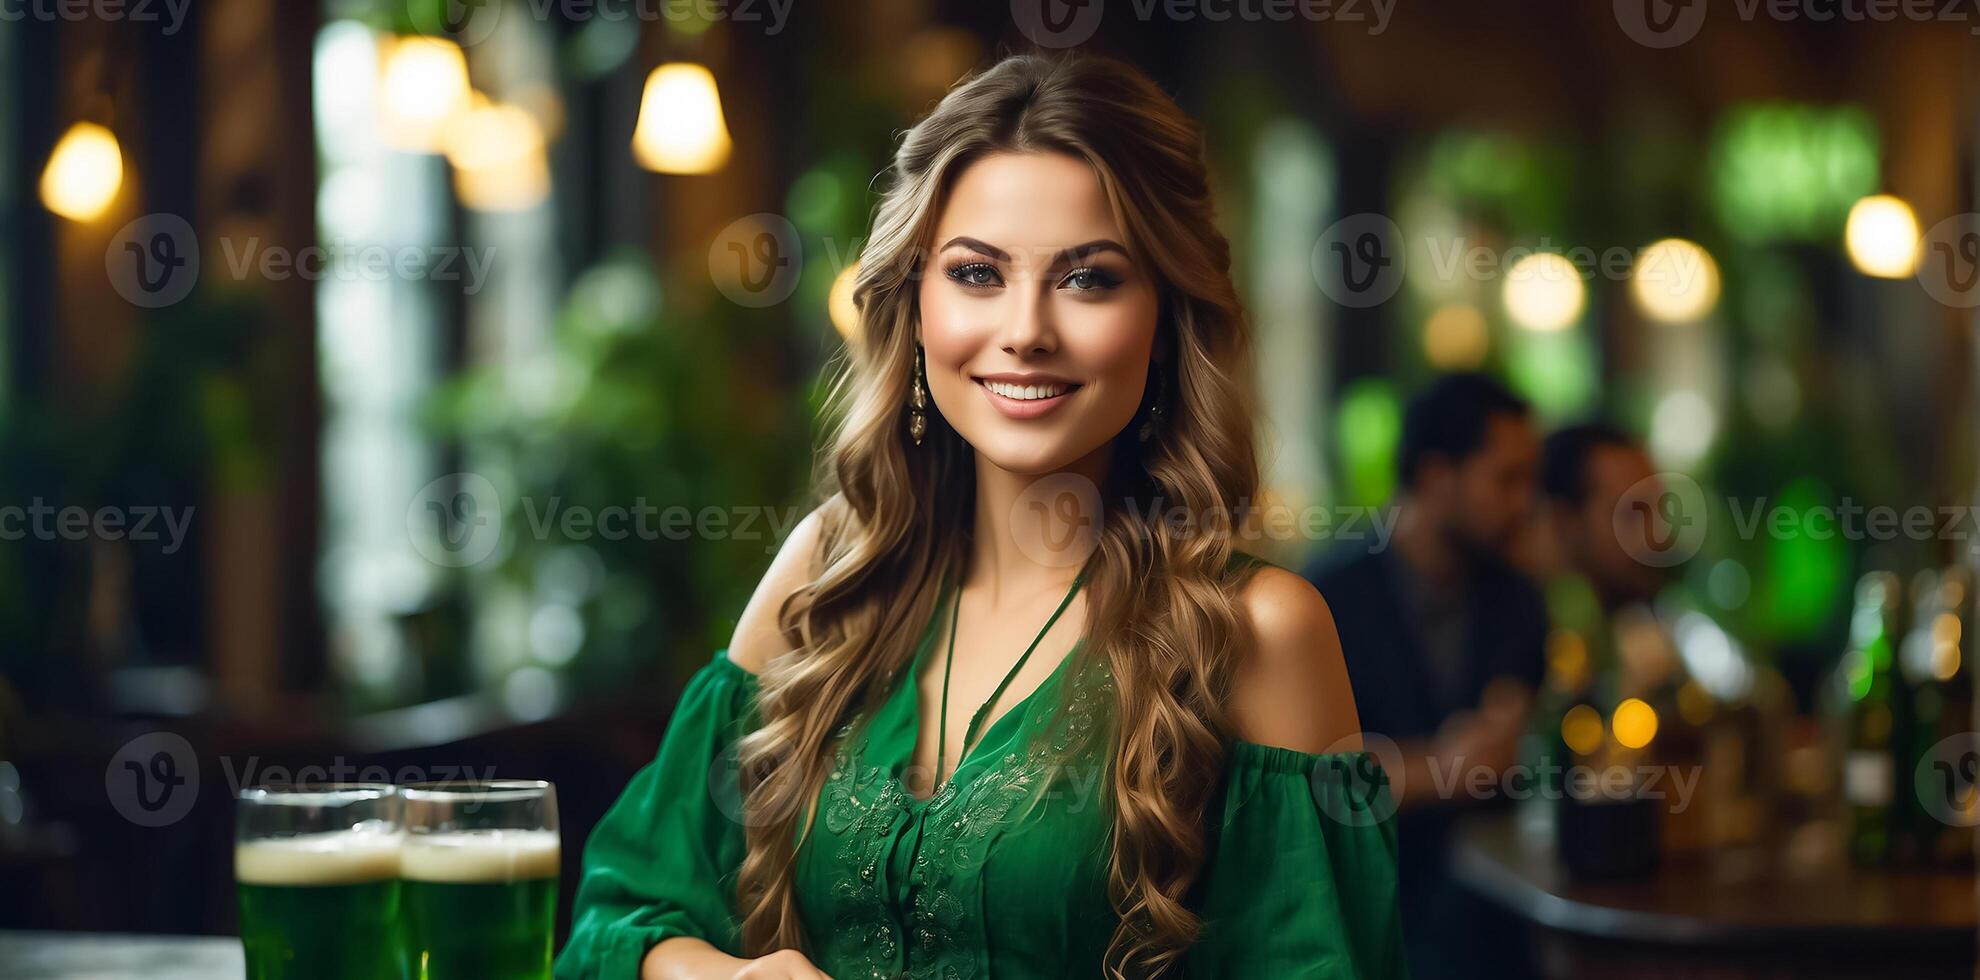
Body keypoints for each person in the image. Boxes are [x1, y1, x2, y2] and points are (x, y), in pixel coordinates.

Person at [555, 54, 1408, 980]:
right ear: (915, 306)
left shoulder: (1259, 631)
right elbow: (624, 911)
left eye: (1088, 278)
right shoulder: (825, 578)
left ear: (1166, 320)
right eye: (976, 273)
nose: (1027, 328)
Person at [1304, 372, 1546, 979]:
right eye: (1506, 480)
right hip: (1362, 929)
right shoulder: (1324, 600)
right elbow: (1307, 786)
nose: (1524, 504)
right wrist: (1448, 767)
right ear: (1438, 477)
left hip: (1498, 931)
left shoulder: (1518, 599)